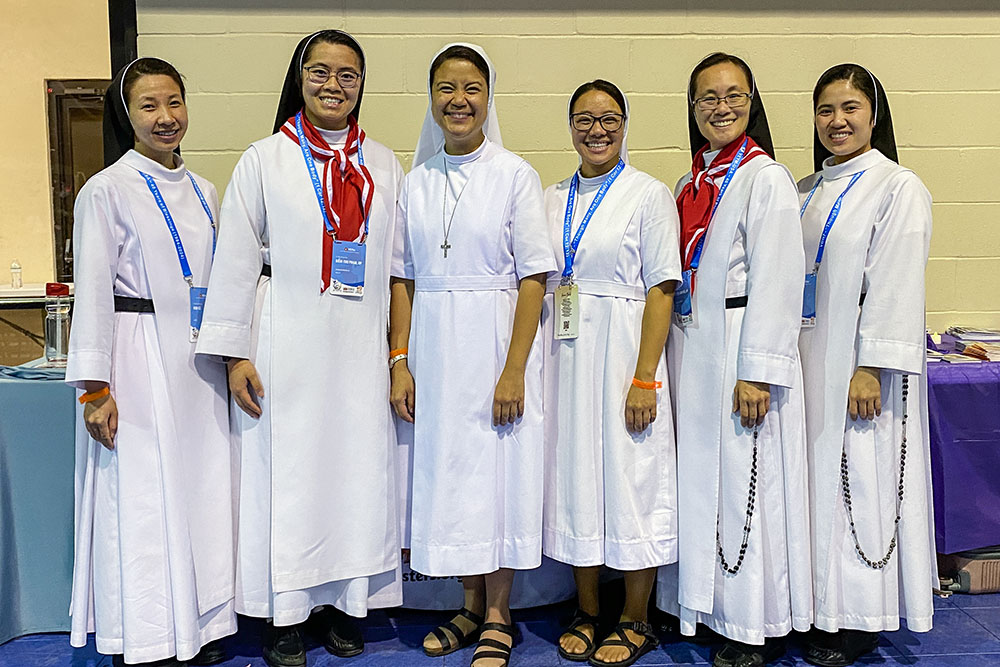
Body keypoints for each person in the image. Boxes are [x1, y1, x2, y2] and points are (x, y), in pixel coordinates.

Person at [194, 30, 403, 667]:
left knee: (353, 474)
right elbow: (235, 259)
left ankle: (346, 604)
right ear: (299, 78)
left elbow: (399, 268)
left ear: (362, 85)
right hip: (284, 343)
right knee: (285, 477)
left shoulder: (383, 163)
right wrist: (234, 354)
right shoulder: (265, 159)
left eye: (348, 75)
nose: (334, 85)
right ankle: (283, 616)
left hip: (358, 347)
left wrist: (397, 355)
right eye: (320, 72)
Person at [388, 43, 556, 667]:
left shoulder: (515, 175)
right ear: (431, 99)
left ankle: (498, 614)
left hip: (493, 343)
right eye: (446, 89)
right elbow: (402, 279)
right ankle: (466, 604)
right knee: (451, 476)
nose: (458, 101)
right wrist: (399, 360)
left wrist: (513, 368)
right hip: (434, 348)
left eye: (471, 89)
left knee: (497, 476)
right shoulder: (415, 182)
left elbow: (534, 278)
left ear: (488, 98)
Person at [66, 57, 235, 667]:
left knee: (200, 495)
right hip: (134, 356)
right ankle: (146, 637)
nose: (165, 117)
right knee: (142, 500)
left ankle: (199, 627)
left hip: (196, 362)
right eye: (149, 106)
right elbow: (92, 290)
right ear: (127, 115)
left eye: (174, 103)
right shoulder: (106, 189)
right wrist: (95, 388)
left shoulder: (206, 191)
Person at [655, 52, 812, 667]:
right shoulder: (690, 182)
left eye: (733, 96)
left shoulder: (763, 176)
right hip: (695, 342)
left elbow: (779, 277)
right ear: (692, 108)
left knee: (747, 479)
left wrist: (758, 371)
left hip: (741, 343)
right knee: (702, 481)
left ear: (752, 102)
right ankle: (702, 604)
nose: (720, 108)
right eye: (707, 98)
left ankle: (750, 623)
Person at [797, 64, 935, 667]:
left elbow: (896, 283)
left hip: (859, 366)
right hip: (809, 359)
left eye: (850, 108)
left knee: (860, 484)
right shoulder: (805, 187)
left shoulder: (897, 187)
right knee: (818, 486)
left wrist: (871, 367)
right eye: (826, 110)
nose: (837, 121)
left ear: (874, 116)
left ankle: (859, 620)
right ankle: (819, 605)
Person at [540, 79, 680, 667]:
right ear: (570, 126)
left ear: (624, 125)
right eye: (584, 119)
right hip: (566, 357)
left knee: (631, 480)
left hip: (624, 355)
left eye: (608, 119)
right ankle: (588, 609)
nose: (596, 130)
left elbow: (661, 289)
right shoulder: (551, 197)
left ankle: (635, 616)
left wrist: (645, 377)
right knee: (577, 480)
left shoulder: (649, 194)